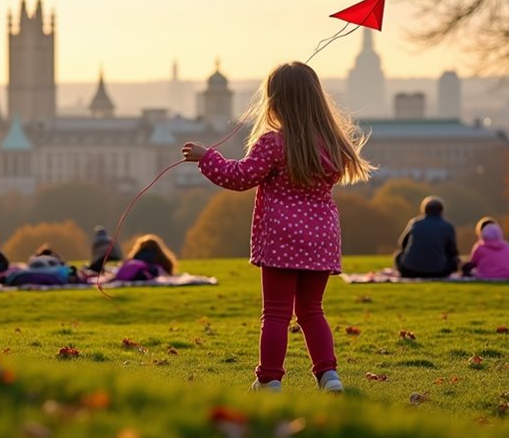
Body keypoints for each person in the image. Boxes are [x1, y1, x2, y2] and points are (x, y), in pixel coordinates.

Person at [182, 61, 372, 394]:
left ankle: (269, 379)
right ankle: (329, 377)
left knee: (276, 313)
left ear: (275, 101)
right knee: (312, 310)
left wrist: (206, 158)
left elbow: (240, 177)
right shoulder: (332, 143)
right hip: (321, 237)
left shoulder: (273, 142)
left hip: (281, 238)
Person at [394, 197, 460, 278]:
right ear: (441, 211)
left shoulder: (415, 223)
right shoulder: (448, 226)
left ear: (423, 209)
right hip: (438, 272)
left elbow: (402, 244)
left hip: (409, 271)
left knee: (398, 255)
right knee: (454, 261)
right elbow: (453, 251)